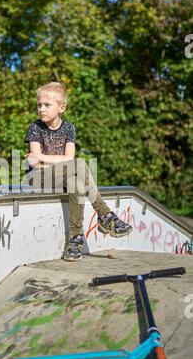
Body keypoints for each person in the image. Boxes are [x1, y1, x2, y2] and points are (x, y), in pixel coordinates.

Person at [24, 82, 133, 261]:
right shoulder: (35, 128)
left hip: (62, 177)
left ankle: (75, 241)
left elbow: (64, 158)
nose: (41, 109)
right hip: (37, 178)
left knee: (77, 183)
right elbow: (35, 163)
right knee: (80, 165)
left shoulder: (69, 128)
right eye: (39, 105)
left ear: (61, 108)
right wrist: (57, 161)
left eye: (46, 105)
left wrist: (46, 158)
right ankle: (105, 215)